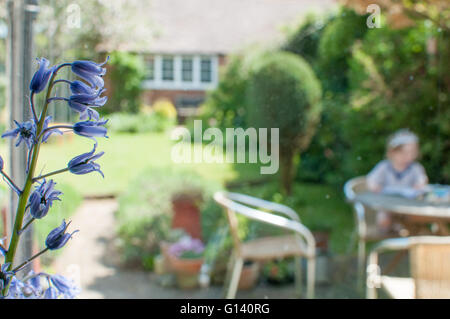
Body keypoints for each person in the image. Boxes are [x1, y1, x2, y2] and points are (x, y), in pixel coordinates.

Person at [367, 129, 428, 232]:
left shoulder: (415, 168)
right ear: (392, 152)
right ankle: (388, 236)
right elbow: (371, 180)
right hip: (387, 205)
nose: (407, 156)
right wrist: (374, 186)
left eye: (411, 153)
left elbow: (422, 180)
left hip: (409, 206)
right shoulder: (384, 167)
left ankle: (407, 237)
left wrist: (420, 184)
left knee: (416, 219)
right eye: (403, 153)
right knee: (384, 218)